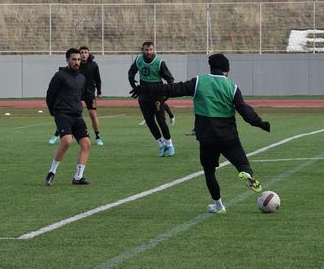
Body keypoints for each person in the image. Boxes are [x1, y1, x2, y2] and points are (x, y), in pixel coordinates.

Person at [130, 54, 270, 214]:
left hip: (207, 138)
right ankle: (246, 173)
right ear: (227, 71)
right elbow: (246, 111)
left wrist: (145, 88)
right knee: (243, 164)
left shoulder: (198, 82)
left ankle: (218, 206)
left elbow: (172, 88)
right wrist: (261, 124)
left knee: (209, 172)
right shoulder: (233, 87)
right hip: (228, 136)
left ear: (211, 67)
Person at [45, 48, 92, 186]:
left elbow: (80, 95)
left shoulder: (82, 78)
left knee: (86, 144)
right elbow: (50, 95)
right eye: (74, 59)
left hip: (77, 115)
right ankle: (52, 171)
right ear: (67, 60)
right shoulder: (60, 76)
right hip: (63, 114)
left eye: (78, 59)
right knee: (67, 141)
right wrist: (54, 112)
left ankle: (78, 177)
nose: (77, 62)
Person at [48, 46, 105, 146]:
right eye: (82, 52)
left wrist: (99, 91)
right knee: (68, 113)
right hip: (76, 92)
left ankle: (97, 136)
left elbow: (98, 79)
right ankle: (58, 134)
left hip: (89, 93)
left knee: (92, 114)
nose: (83, 55)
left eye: (86, 52)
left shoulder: (93, 65)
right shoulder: (74, 65)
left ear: (89, 54)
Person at [128, 41, 175, 156]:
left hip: (157, 94)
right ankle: (161, 145)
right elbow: (131, 71)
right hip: (143, 94)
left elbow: (170, 79)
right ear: (142, 50)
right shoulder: (139, 59)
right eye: (146, 50)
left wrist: (167, 93)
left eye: (150, 50)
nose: (149, 52)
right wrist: (132, 82)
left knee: (161, 121)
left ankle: (169, 144)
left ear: (153, 50)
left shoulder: (159, 62)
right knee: (149, 121)